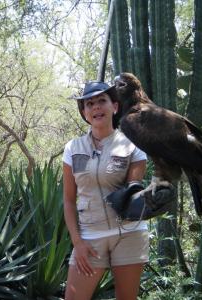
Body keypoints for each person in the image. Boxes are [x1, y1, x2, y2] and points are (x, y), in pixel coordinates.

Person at [63, 81, 149, 300]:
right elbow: (69, 200)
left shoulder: (132, 144)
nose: (96, 107)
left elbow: (133, 192)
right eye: (89, 103)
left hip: (129, 233)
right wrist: (78, 242)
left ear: (115, 107)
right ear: (84, 112)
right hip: (90, 236)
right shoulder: (73, 148)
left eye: (102, 101)